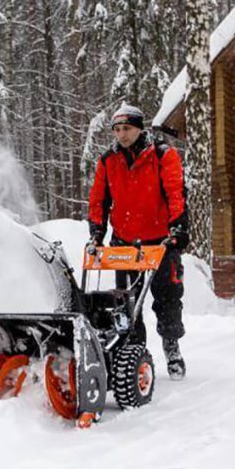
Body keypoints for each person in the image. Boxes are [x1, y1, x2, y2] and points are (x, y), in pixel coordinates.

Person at [88, 104, 189, 380]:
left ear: (139, 128)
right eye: (117, 130)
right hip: (125, 243)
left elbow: (175, 192)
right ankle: (135, 353)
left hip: (160, 242)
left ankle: (171, 347)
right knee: (126, 303)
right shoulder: (108, 160)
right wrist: (96, 233)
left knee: (167, 298)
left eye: (127, 129)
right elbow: (98, 200)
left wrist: (178, 227)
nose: (122, 135)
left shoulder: (161, 154)